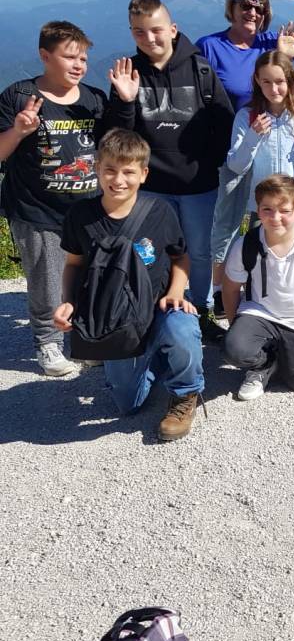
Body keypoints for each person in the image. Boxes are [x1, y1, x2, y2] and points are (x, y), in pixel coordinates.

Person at [54, 130, 205, 441]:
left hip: (159, 305)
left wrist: (176, 292)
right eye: (110, 169)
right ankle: (157, 356)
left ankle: (185, 392)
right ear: (97, 169)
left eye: (128, 172)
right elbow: (73, 265)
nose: (118, 180)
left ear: (144, 174)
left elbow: (180, 258)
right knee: (128, 404)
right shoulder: (80, 215)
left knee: (183, 329)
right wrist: (69, 301)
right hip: (115, 317)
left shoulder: (160, 211)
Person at [108, 0, 235, 342]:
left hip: (197, 185)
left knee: (199, 251)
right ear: (132, 33)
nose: (149, 38)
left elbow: (224, 122)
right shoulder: (129, 73)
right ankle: (152, 311)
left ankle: (201, 311)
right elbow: (117, 137)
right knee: (149, 251)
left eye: (156, 30)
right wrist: (125, 101)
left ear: (173, 29)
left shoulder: (201, 70)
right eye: (139, 31)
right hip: (150, 187)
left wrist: (208, 163)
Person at [0, 21, 109, 376]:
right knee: (47, 280)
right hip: (36, 209)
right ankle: (48, 342)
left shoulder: (95, 99)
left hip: (88, 207)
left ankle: (84, 341)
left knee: (90, 276)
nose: (79, 65)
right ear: (45, 56)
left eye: (83, 58)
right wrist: (18, 131)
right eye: (70, 57)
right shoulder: (19, 96)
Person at [221, 174, 294, 401]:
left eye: (284, 211)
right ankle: (262, 365)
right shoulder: (247, 244)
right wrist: (236, 328)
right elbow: (230, 288)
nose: (275, 217)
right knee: (233, 349)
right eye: (267, 209)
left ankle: (279, 357)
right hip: (260, 313)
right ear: (258, 210)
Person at [211, 51, 294, 275]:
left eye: (280, 81)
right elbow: (236, 166)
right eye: (267, 82)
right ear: (257, 81)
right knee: (256, 267)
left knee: (292, 269)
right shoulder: (246, 117)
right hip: (260, 211)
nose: (274, 89)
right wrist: (253, 136)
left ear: (290, 80)